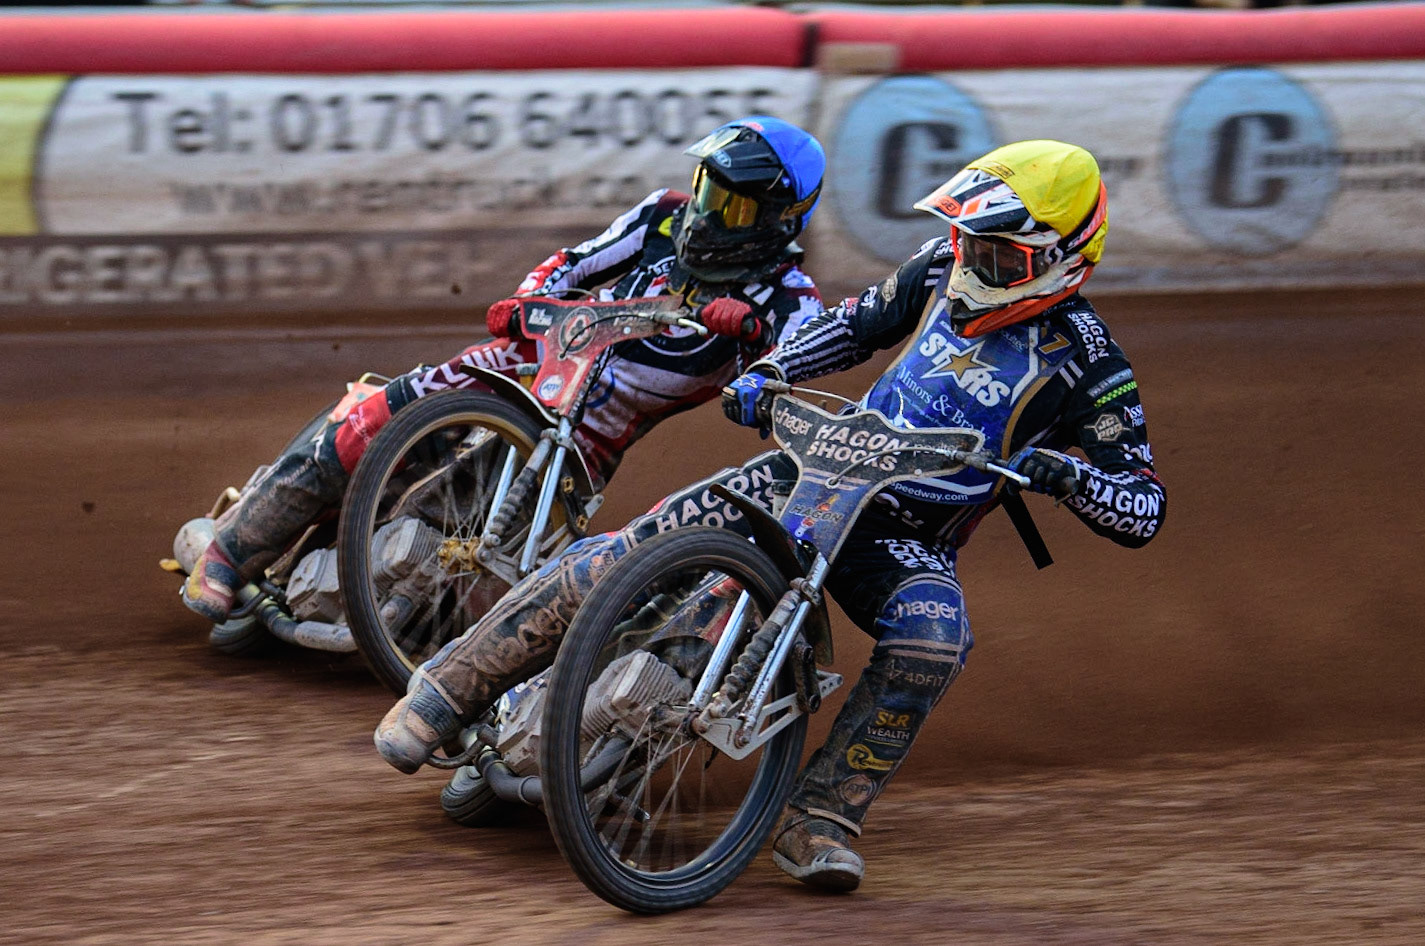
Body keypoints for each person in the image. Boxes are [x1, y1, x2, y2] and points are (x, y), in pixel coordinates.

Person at [373, 140, 1166, 891]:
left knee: (934, 638)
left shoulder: (1088, 363)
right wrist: (777, 368)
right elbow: (851, 325)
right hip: (810, 469)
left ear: (1064, 258)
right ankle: (444, 692)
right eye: (968, 243)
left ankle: (819, 818)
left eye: (999, 255)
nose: (975, 264)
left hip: (905, 536)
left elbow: (1141, 505)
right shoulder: (935, 269)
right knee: (638, 545)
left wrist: (1066, 476)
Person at [179, 116, 827, 623]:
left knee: (443, 542)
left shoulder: (790, 301)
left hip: (593, 436)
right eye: (706, 190)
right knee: (375, 421)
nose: (707, 214)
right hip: (532, 364)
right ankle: (230, 554)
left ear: (779, 218)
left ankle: (386, 609)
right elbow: (570, 264)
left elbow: (782, 385)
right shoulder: (661, 216)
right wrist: (527, 302)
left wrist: (755, 364)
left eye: (732, 205)